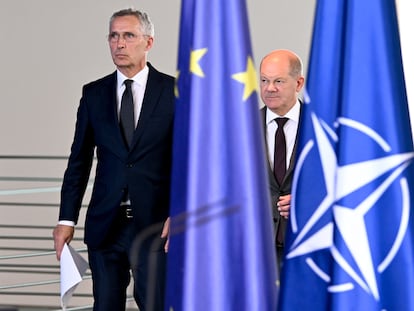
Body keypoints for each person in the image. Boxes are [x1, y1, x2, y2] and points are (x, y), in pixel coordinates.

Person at [52, 8, 174, 311]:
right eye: (114, 36)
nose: (119, 43)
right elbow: (78, 160)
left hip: (156, 226)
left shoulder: (175, 92)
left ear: (148, 42)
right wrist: (66, 219)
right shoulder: (94, 94)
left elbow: (191, 162)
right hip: (106, 225)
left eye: (128, 36)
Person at [259, 49, 305, 269]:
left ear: (298, 83)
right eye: (264, 80)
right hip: (257, 249)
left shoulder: (322, 128)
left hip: (308, 245)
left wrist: (307, 201)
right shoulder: (242, 127)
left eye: (278, 81)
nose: (269, 88)